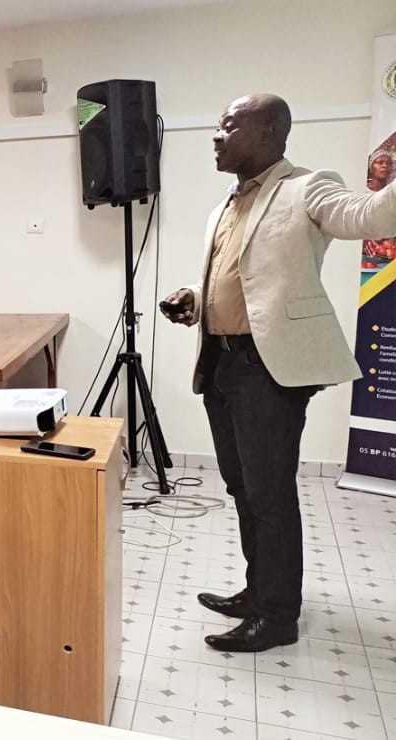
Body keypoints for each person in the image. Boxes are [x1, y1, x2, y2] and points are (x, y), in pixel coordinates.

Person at [161, 94, 396, 653]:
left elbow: (370, 216)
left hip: (269, 368)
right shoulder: (227, 203)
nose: (215, 135)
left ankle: (278, 616)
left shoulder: (308, 187)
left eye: (227, 125)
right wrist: (194, 297)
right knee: (243, 487)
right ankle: (257, 591)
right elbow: (242, 278)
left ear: (267, 131)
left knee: (269, 495)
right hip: (221, 360)